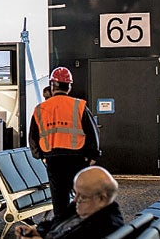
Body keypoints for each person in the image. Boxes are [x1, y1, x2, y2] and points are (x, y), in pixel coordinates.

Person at [29, 66, 100, 220]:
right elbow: (92, 132)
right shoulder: (79, 105)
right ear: (69, 86)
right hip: (78, 159)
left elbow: (33, 138)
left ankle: (63, 229)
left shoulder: (40, 109)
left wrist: (41, 156)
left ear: (52, 86)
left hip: (53, 160)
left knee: (59, 202)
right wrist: (93, 155)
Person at [14, 166, 124, 239]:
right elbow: (56, 223)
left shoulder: (103, 227)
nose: (75, 200)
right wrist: (37, 231)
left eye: (82, 196)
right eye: (75, 193)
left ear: (101, 199)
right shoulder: (86, 209)